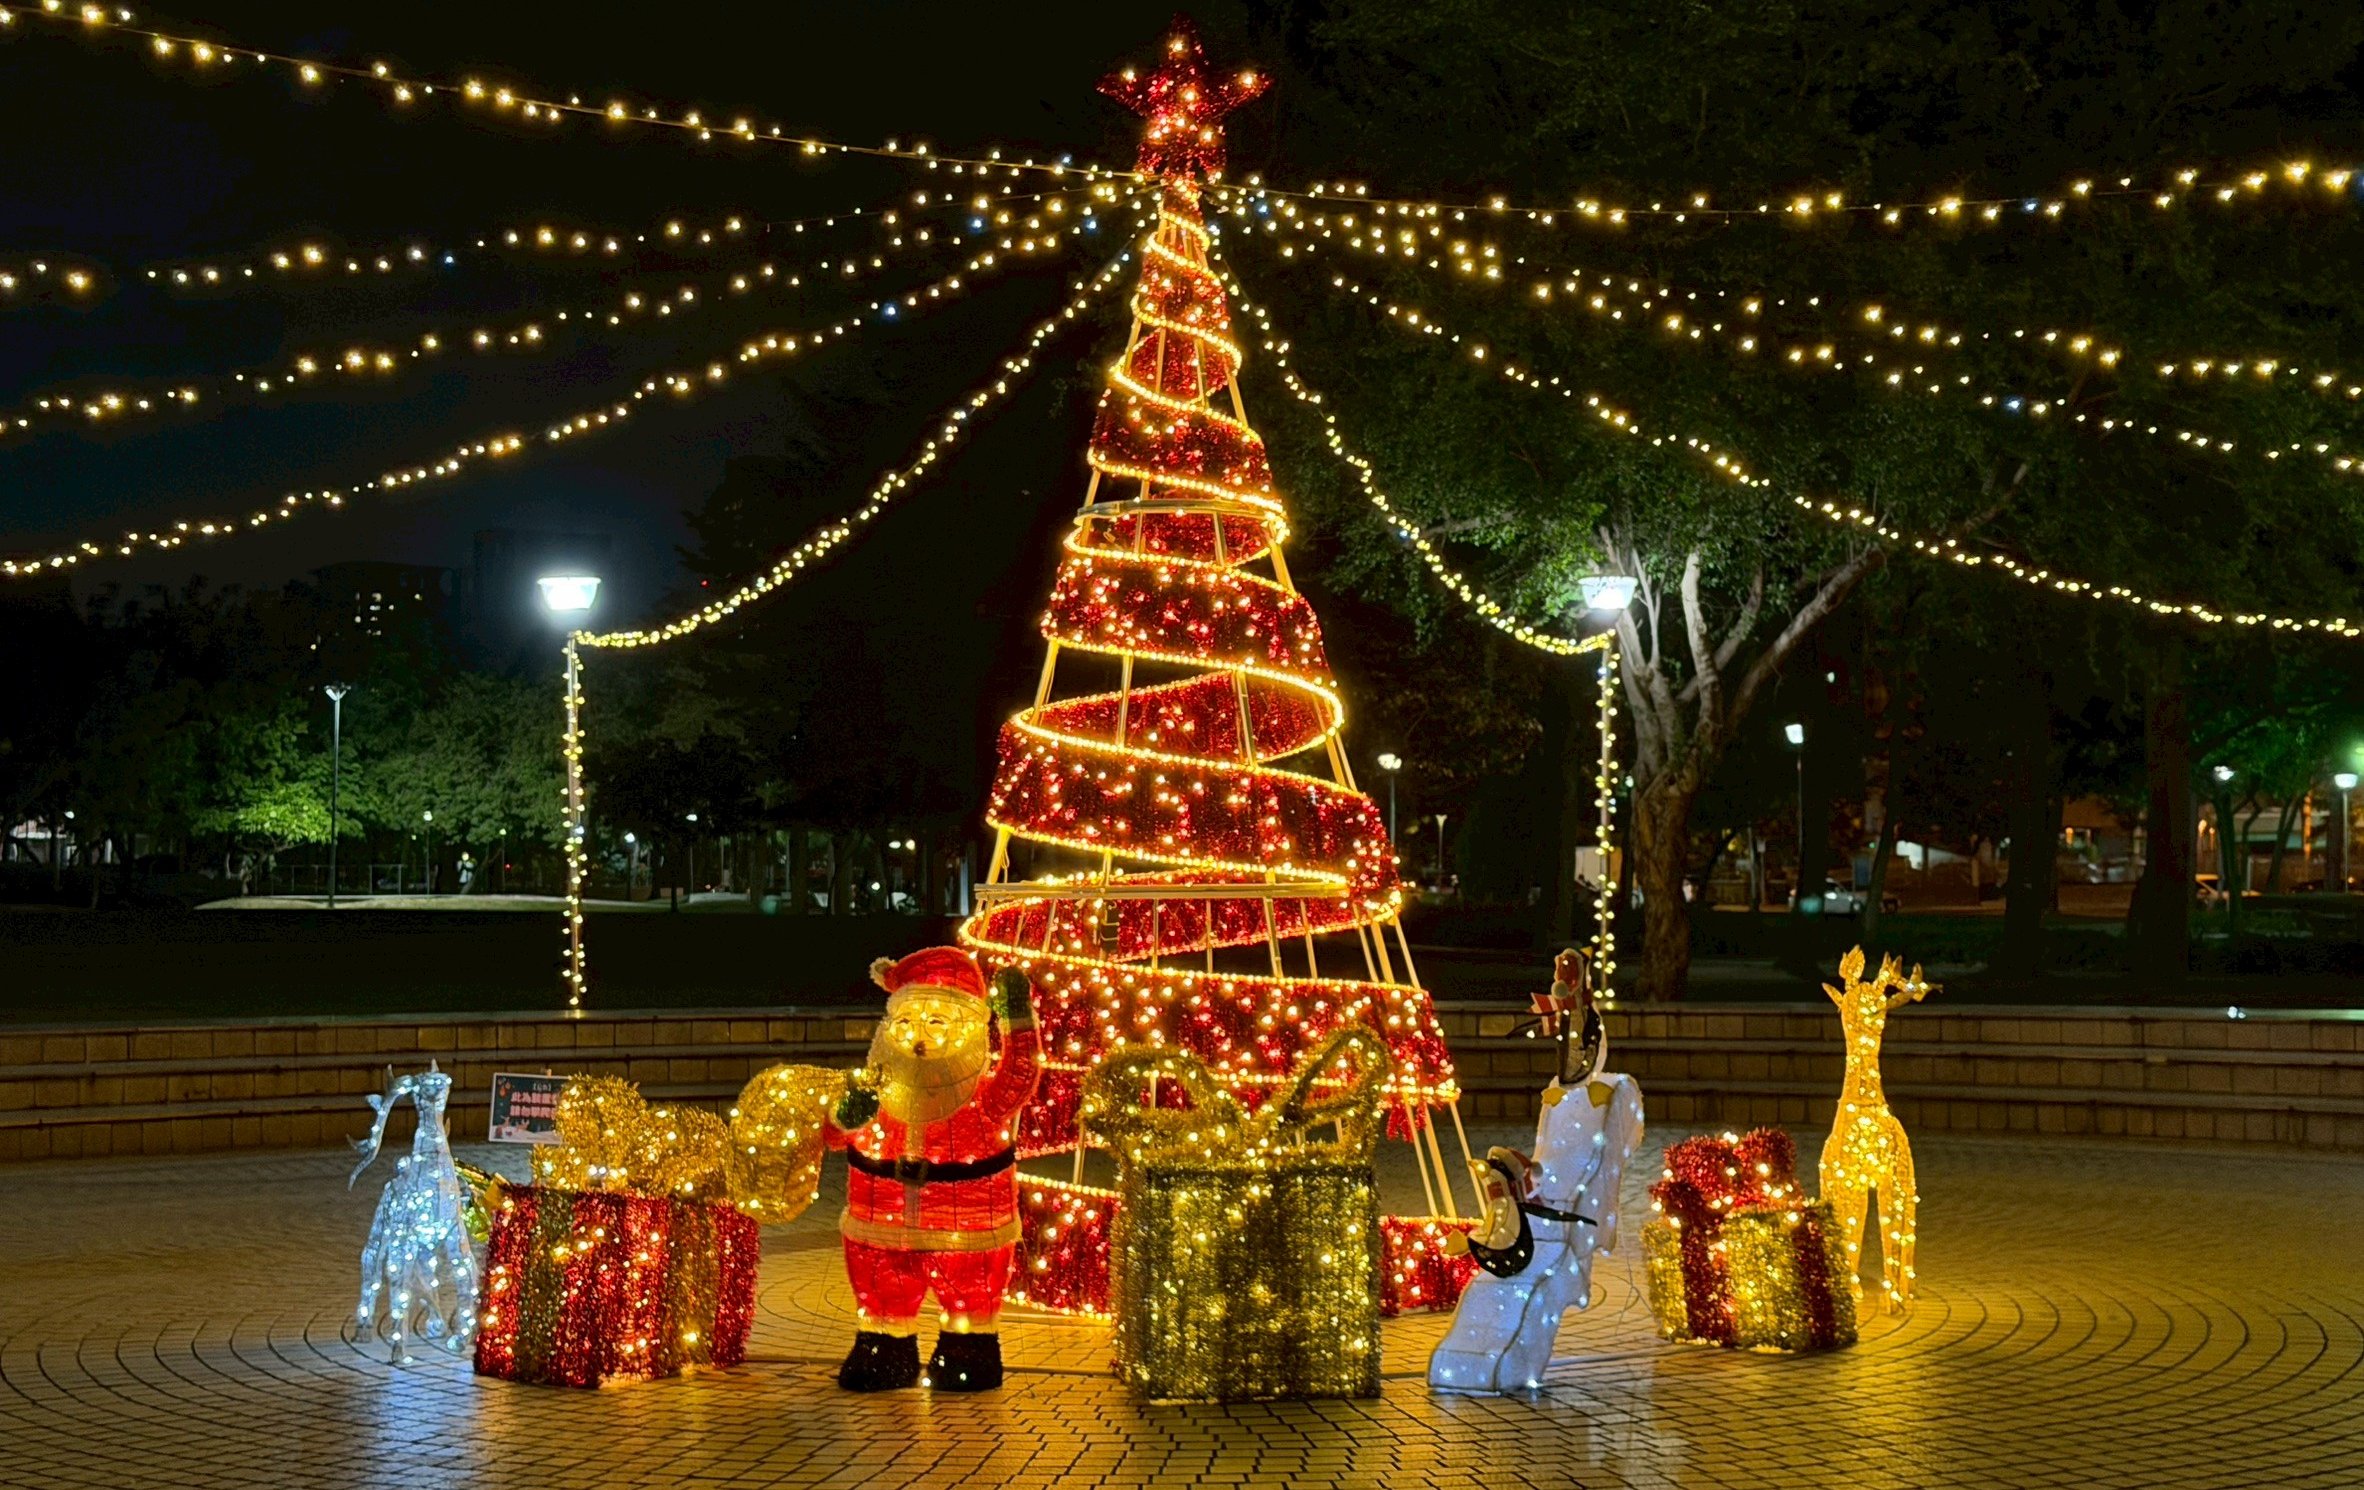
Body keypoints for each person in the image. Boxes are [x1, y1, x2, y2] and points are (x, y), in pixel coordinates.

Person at [826, 948, 1041, 1392]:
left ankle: (968, 1351)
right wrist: (847, 1115)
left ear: (966, 1029)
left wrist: (1017, 1022)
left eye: (936, 1023)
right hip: (879, 1222)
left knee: (970, 1293)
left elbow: (1019, 1076)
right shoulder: (876, 1089)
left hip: (966, 1225)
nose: (917, 1038)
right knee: (883, 1292)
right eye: (905, 1024)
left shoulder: (983, 1100)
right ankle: (885, 1350)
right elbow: (833, 1135)